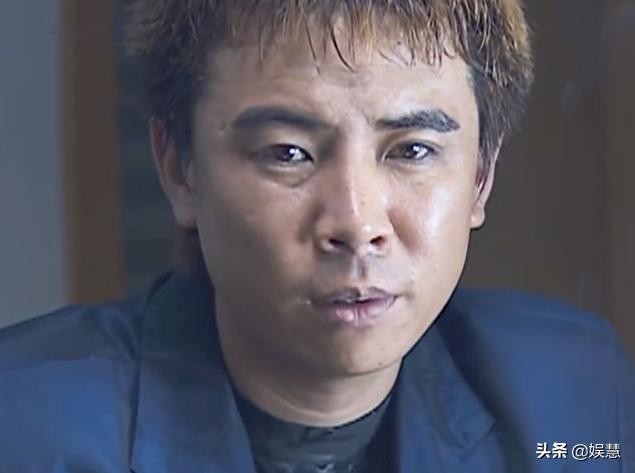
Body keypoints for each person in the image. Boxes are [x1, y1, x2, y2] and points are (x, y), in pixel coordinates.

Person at [1, 1, 633, 472]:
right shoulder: (25, 430)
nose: (357, 225)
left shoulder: (575, 398)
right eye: (288, 153)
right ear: (178, 168)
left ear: (480, 177)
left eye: (412, 150)